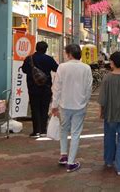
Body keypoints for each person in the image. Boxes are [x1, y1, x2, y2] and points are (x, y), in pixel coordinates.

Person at [51, 44, 93, 173]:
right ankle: (71, 162)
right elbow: (89, 88)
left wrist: (54, 105)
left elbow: (57, 88)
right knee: (75, 133)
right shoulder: (86, 68)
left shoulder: (62, 67)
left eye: (65, 52)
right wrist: (84, 102)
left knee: (64, 129)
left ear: (69, 54)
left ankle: (64, 155)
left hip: (64, 105)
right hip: (79, 106)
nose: (65, 55)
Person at [22, 41, 58, 138]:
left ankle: (36, 131)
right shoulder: (49, 59)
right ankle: (43, 130)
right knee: (44, 108)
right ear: (46, 49)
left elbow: (24, 70)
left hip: (33, 88)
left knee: (35, 109)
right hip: (46, 88)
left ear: (36, 48)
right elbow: (56, 69)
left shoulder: (29, 59)